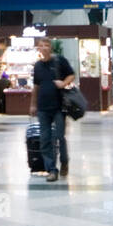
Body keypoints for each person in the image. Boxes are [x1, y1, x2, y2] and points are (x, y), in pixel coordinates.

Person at [29, 37, 75, 182]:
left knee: (60, 137)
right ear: (38, 48)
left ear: (51, 47)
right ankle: (51, 169)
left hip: (59, 107)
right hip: (43, 108)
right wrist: (33, 104)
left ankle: (64, 161)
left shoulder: (59, 61)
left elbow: (72, 75)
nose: (44, 48)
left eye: (46, 45)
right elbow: (36, 87)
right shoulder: (37, 66)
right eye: (41, 45)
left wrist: (63, 83)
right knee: (45, 139)